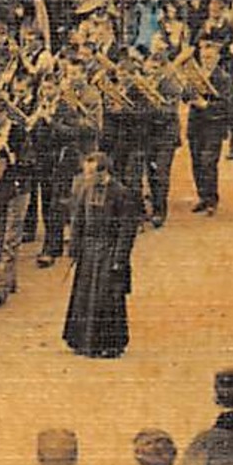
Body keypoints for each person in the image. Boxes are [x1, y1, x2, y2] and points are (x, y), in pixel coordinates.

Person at [62, 152, 139, 359]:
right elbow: (78, 219)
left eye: (90, 173)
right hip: (88, 251)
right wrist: (74, 247)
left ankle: (110, 345)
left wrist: (119, 259)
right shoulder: (85, 189)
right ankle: (81, 341)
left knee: (108, 298)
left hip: (109, 250)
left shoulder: (121, 193)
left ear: (103, 172)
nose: (86, 177)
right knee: (84, 296)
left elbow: (126, 230)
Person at [185, 41, 232, 216]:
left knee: (208, 162)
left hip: (213, 125)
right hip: (196, 124)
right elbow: (185, 96)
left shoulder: (224, 78)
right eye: (204, 57)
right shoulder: (195, 75)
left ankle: (212, 199)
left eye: (210, 57)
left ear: (218, 58)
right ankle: (203, 196)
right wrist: (189, 94)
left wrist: (205, 105)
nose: (207, 60)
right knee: (196, 161)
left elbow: (226, 105)